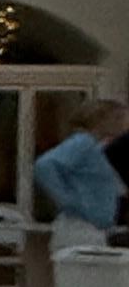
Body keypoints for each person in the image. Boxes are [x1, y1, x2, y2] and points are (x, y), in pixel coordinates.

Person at [35, 100, 129, 249]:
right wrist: (67, 200)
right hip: (80, 228)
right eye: (117, 118)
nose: (123, 124)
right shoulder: (82, 143)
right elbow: (44, 165)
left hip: (95, 229)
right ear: (101, 120)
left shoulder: (97, 149)